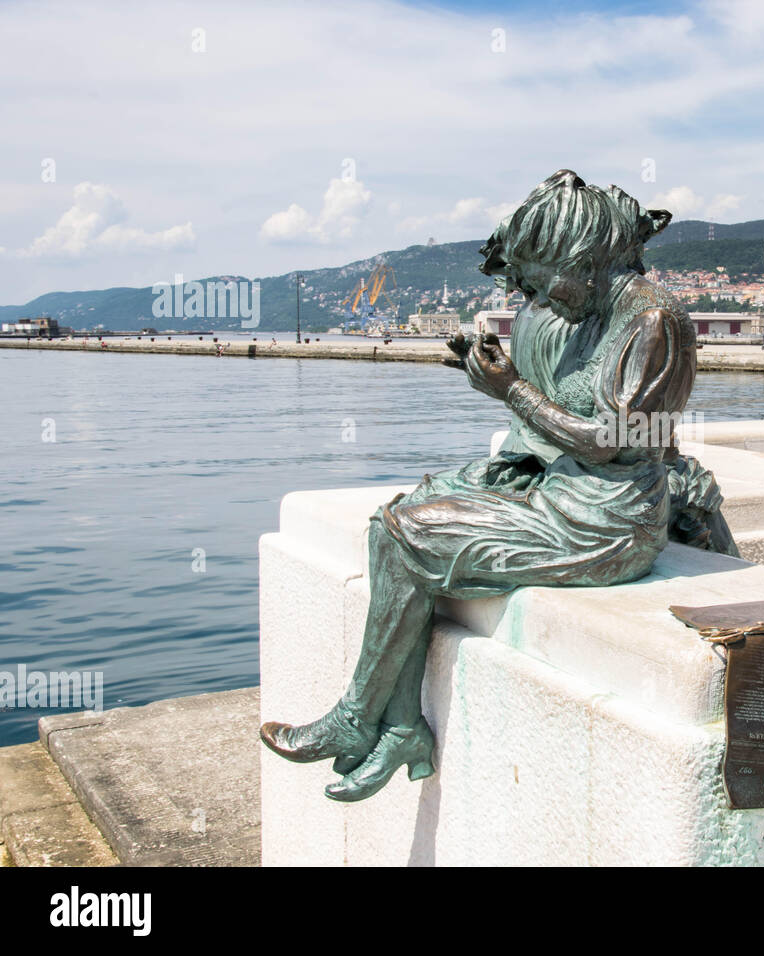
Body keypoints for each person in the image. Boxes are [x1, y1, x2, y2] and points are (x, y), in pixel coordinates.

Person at [260, 170, 736, 801]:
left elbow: (615, 441)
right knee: (389, 522)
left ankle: (359, 720)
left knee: (408, 535)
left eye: (538, 275)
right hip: (564, 491)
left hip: (610, 522)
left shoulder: (655, 324)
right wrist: (513, 403)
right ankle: (399, 722)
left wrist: (510, 388)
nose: (529, 291)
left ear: (579, 260)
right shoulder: (595, 313)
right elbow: (565, 428)